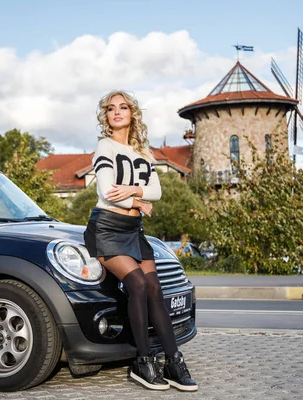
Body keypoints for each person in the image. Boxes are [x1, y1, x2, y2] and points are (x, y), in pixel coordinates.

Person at [83, 90, 198, 392]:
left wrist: (133, 192)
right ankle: (142, 362)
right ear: (106, 117)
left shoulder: (143, 152)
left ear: (132, 114)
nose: (117, 112)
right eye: (111, 108)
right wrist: (140, 201)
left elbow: (156, 191)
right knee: (137, 285)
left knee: (155, 288)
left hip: (134, 231)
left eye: (123, 107)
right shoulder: (103, 148)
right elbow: (109, 192)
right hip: (106, 228)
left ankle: (173, 361)